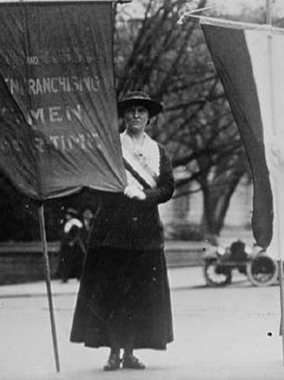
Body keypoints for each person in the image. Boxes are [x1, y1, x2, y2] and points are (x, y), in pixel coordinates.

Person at [70, 91, 175, 371]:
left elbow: (167, 187)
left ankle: (130, 352)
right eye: (130, 112)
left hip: (145, 234)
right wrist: (121, 190)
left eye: (141, 111)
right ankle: (113, 352)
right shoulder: (111, 148)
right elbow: (94, 182)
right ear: (124, 117)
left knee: (139, 295)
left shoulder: (159, 151)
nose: (136, 116)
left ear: (149, 118)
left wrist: (147, 196)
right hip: (113, 232)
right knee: (114, 295)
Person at [57, 208, 85, 283]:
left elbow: (78, 235)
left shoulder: (76, 223)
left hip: (74, 246)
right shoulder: (67, 223)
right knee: (66, 262)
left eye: (68, 215)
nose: (67, 216)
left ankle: (79, 277)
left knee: (76, 262)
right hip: (66, 246)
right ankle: (64, 277)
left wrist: (73, 242)